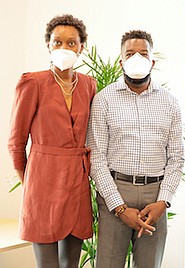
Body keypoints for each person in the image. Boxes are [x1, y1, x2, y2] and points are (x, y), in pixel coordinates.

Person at [88, 30, 184, 268]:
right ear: (121, 61)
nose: (137, 59)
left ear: (153, 61)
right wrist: (119, 208)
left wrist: (164, 201)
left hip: (156, 196)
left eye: (143, 54)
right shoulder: (103, 99)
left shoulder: (170, 102)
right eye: (130, 54)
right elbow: (97, 157)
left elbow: (176, 158)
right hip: (115, 193)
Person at [7, 14, 96, 268]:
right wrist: (31, 183)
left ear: (81, 47)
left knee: (70, 264)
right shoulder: (32, 82)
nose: (64, 48)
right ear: (48, 45)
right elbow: (16, 141)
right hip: (42, 182)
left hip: (76, 183)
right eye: (57, 42)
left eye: (71, 43)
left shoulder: (89, 85)